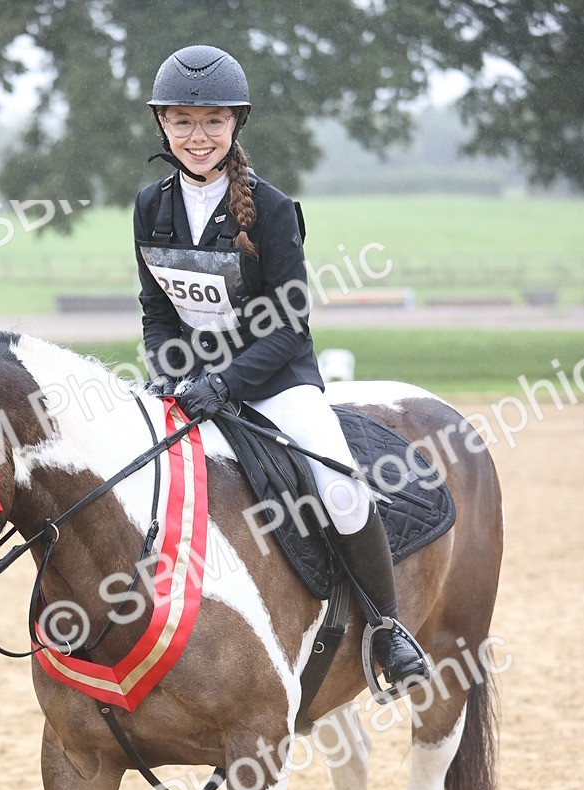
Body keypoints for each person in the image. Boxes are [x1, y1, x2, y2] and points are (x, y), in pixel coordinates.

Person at [133, 44, 427, 688]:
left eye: (212, 121)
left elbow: (288, 325)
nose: (197, 136)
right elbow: (157, 309)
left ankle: (387, 629)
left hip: (276, 383)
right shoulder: (150, 207)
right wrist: (167, 371)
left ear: (236, 121)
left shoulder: (269, 209)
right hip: (191, 381)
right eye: (182, 121)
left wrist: (226, 385)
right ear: (162, 125)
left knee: (342, 489)